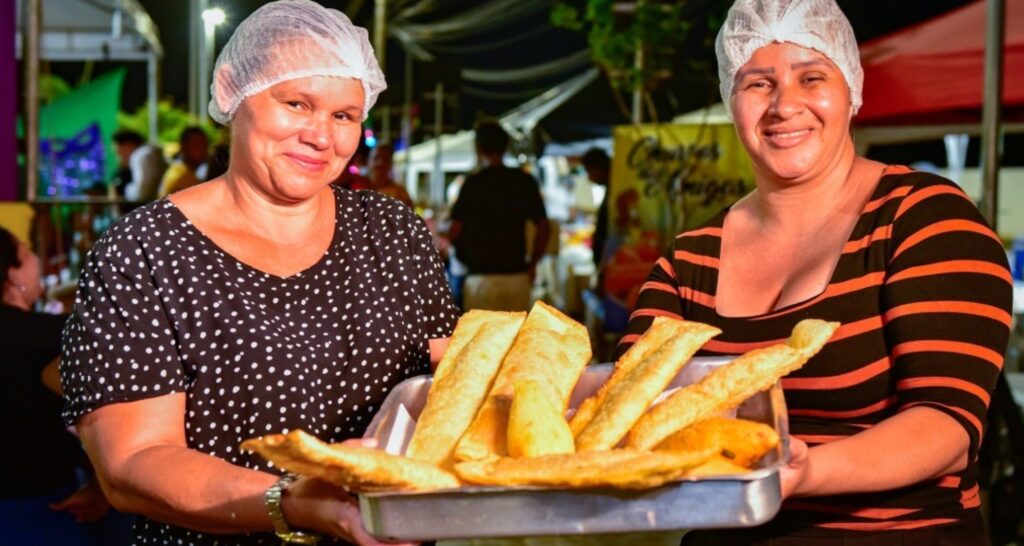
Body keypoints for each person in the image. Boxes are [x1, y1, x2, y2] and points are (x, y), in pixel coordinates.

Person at [60, 1, 458, 544]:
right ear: (231, 89)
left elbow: (455, 382)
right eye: (297, 104)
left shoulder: (391, 231)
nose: (321, 136)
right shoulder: (143, 250)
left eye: (344, 116)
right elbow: (132, 463)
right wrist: (294, 501)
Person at [617, 1, 1013, 544]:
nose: (784, 105)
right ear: (731, 100)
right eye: (758, 83)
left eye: (811, 78)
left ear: (851, 90)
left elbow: (946, 425)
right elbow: (633, 408)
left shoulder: (923, 219)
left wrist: (804, 472)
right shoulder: (689, 260)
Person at [0, 227, 132, 545]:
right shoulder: (56, 337)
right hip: (49, 508)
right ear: (13, 274)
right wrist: (102, 486)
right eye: (27, 251)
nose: (36, 259)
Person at [449, 119, 549, 312]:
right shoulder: (523, 181)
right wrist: (533, 264)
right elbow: (544, 227)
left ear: (478, 148)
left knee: (483, 333)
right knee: (515, 332)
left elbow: (455, 230)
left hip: (480, 279)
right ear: (506, 147)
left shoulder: (472, 184)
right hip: (517, 277)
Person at [112, 129, 168, 203]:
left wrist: (125, 190)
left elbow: (141, 193)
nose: (119, 158)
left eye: (119, 153)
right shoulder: (152, 153)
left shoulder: (142, 155)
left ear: (127, 145)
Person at [158, 126, 211, 197]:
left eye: (205, 144)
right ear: (184, 147)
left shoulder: (182, 170)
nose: (203, 149)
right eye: (197, 145)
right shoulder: (182, 177)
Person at [580, 148, 611, 267]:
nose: (589, 178)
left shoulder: (615, 191)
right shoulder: (610, 190)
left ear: (598, 169)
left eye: (589, 171)